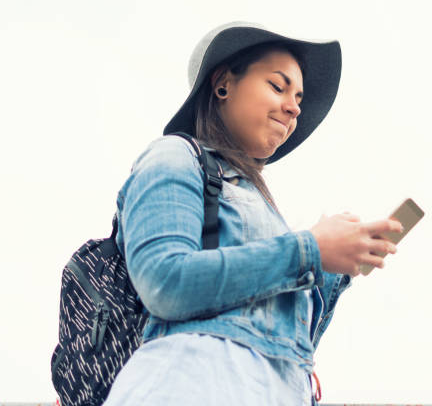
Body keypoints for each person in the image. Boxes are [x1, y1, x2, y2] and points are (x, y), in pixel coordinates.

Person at [102, 21, 403, 406]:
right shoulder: (174, 156)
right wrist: (309, 249)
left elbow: (280, 345)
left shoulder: (265, 211)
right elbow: (165, 282)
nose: (295, 106)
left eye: (298, 97)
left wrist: (330, 271)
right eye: (278, 86)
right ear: (223, 83)